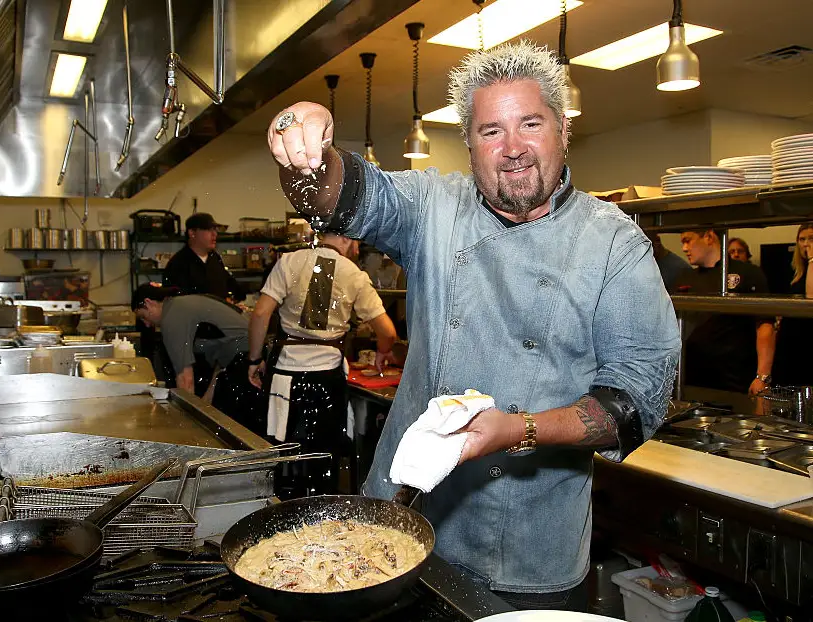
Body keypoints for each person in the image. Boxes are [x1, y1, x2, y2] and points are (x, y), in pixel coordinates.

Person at [265, 41, 680, 609]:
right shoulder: (433, 208)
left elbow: (637, 401)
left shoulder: (613, 243)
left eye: (530, 123)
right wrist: (304, 152)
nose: (513, 148)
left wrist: (519, 430)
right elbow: (343, 198)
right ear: (469, 144)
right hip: (402, 529)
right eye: (491, 131)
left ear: (563, 129)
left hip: (534, 547)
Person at [247, 232, 398, 496]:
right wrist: (382, 352)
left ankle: (281, 507)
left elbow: (260, 313)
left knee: (281, 453)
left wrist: (254, 359)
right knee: (324, 457)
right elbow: (388, 331)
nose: (356, 249)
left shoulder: (289, 262)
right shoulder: (353, 274)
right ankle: (321, 509)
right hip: (326, 379)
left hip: (285, 377)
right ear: (347, 239)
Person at [131, 283, 264, 431]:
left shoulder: (172, 318)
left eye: (143, 317)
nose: (146, 324)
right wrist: (203, 406)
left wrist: (186, 426)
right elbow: (221, 360)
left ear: (148, 303)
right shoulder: (180, 304)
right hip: (249, 354)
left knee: (237, 430)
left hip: (245, 360)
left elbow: (185, 380)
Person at [675, 229, 775, 395]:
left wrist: (762, 376)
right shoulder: (685, 277)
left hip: (736, 378)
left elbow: (765, 325)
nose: (684, 248)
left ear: (708, 237)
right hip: (692, 377)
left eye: (688, 241)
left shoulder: (748, 273)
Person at [163, 212, 245, 302]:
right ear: (192, 233)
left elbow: (230, 285)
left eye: (215, 230)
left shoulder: (215, 258)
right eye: (209, 230)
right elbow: (175, 302)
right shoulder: (178, 264)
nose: (215, 234)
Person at [773, 223, 813, 386]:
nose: (806, 244)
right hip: (791, 338)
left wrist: (812, 259)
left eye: (811, 239)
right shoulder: (795, 269)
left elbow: (811, 298)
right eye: (802, 239)